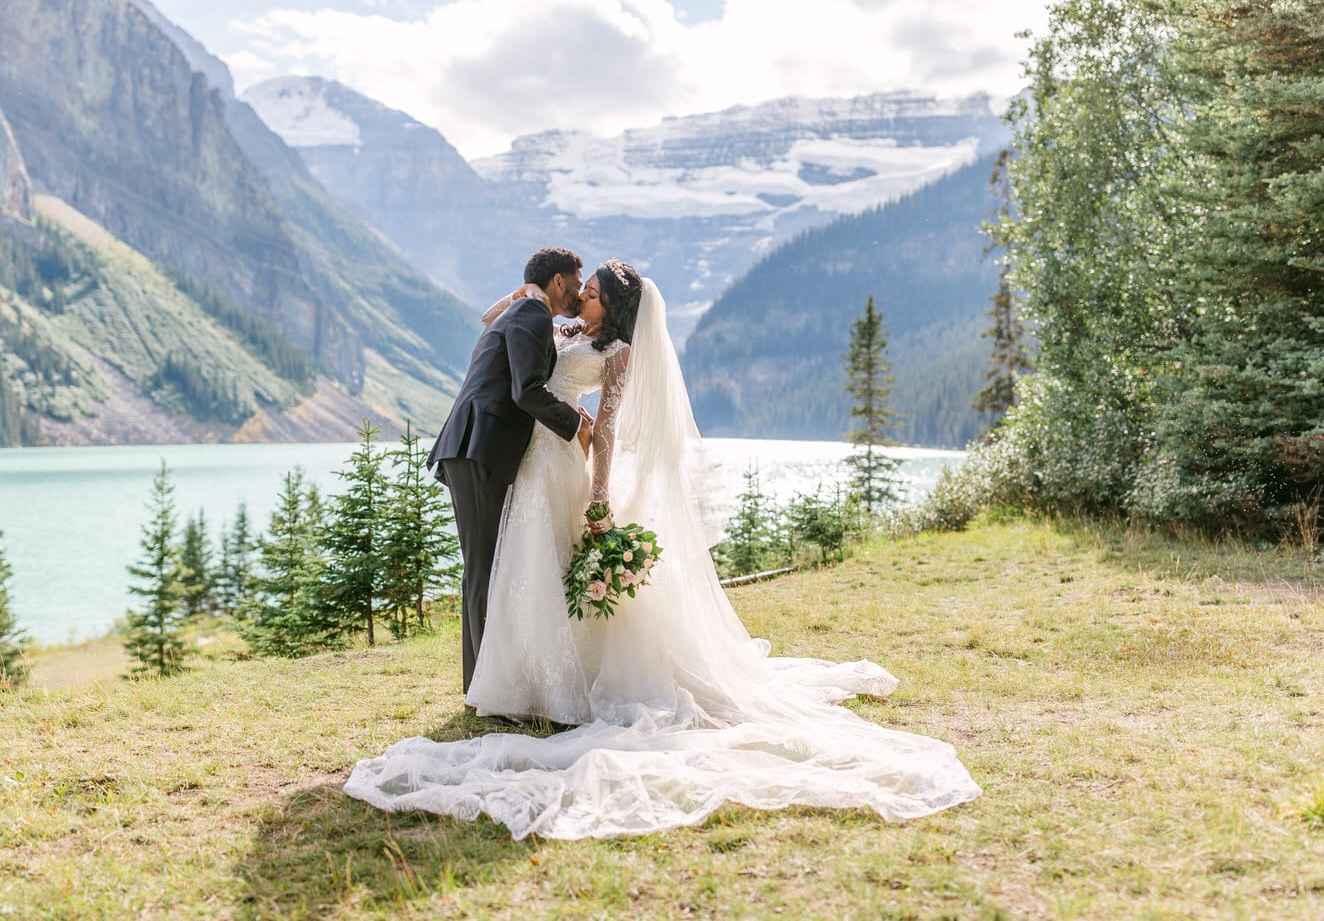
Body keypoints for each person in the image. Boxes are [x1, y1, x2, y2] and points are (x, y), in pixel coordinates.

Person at [349, 262, 982, 840]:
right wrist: (528, 292)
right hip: (531, 462)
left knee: (545, 570)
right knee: (520, 572)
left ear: (613, 306)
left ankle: (549, 689)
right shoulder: (561, 324)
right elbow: (503, 325)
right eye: (582, 289)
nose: (583, 296)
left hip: (561, 466)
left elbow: (609, 431)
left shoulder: (619, 353)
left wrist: (600, 496)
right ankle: (512, 683)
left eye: (593, 293)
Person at [426, 247, 595, 693]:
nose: (580, 291)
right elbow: (527, 390)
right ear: (559, 281)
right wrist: (575, 424)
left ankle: (482, 681)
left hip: (477, 446)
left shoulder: (529, 310)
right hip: (478, 446)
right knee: (482, 566)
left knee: (486, 564)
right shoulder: (532, 311)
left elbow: (496, 330)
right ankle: (481, 687)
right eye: (577, 282)